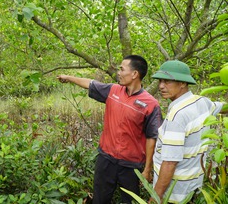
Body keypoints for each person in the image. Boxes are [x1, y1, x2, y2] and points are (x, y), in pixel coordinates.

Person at [57, 55, 163, 204]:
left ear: (134, 74)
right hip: (106, 159)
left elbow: (152, 138)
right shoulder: (113, 90)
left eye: (122, 69)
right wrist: (68, 77)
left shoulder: (151, 104)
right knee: (100, 199)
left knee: (130, 201)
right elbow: (91, 84)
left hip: (131, 166)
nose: (118, 73)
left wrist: (147, 169)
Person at [150, 60, 224, 203]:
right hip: (193, 188)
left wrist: (155, 197)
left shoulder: (177, 116)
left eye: (167, 81)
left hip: (173, 195)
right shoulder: (202, 102)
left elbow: (170, 163)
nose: (161, 86)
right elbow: (222, 107)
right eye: (160, 81)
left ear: (183, 83)